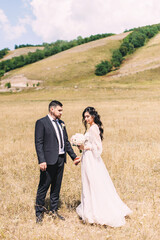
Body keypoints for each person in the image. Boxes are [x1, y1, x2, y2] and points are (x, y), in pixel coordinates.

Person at [76, 107, 132, 227]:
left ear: (93, 116)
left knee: (94, 182)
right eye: (84, 117)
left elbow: (98, 147)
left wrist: (83, 148)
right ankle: (90, 208)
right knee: (88, 182)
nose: (86, 119)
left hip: (92, 159)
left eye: (88, 116)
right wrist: (81, 156)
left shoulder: (94, 128)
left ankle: (97, 211)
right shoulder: (91, 128)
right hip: (87, 158)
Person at [35, 100, 80, 223]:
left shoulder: (61, 123)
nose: (61, 113)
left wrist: (74, 157)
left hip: (61, 159)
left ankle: (53, 211)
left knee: (56, 187)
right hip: (48, 161)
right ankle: (39, 213)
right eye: (59, 110)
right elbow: (39, 143)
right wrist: (42, 160)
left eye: (62, 110)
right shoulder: (41, 123)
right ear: (52, 110)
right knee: (43, 187)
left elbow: (65, 142)